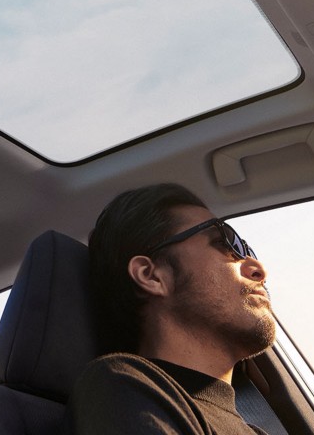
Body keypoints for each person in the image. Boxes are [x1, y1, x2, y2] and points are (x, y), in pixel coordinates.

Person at [68, 183, 274, 435]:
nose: (258, 269)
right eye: (224, 242)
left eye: (246, 249)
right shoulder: (120, 387)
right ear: (152, 276)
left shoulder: (256, 431)